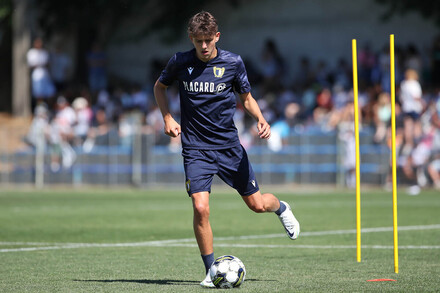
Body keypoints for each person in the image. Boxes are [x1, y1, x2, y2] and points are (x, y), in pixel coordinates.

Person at [153, 11, 300, 288]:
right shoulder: (180, 62)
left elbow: (246, 98)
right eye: (199, 41)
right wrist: (167, 117)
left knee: (257, 205)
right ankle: (211, 271)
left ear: (217, 37)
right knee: (200, 206)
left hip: (229, 147)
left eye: (208, 40)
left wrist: (261, 118)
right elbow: (159, 87)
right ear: (191, 39)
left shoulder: (233, 62)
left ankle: (281, 207)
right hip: (196, 148)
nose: (204, 46)